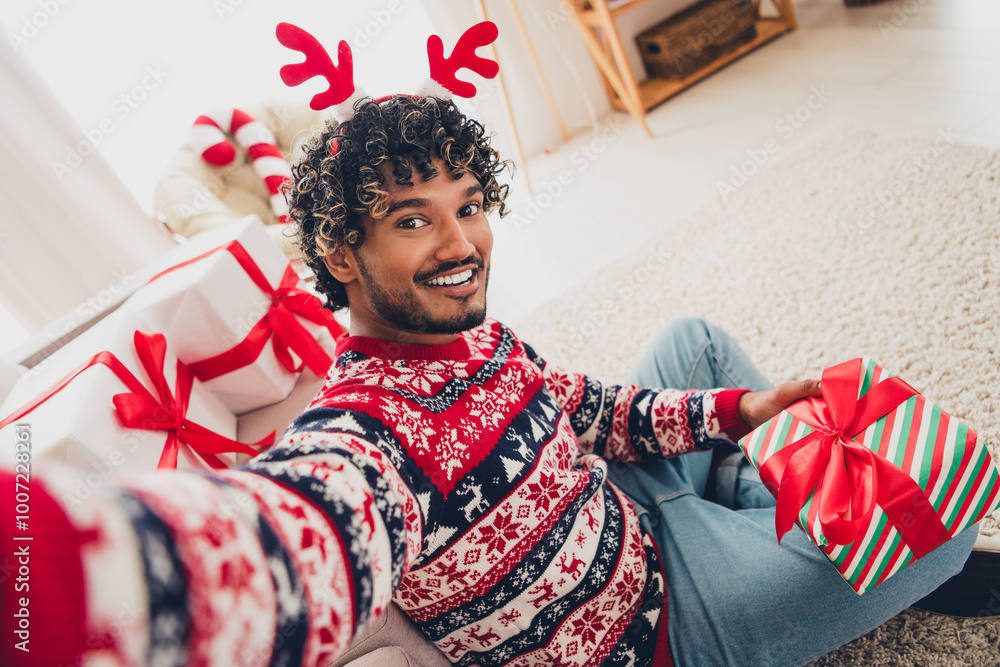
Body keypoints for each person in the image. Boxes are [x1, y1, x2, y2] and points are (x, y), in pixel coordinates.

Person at [0, 95, 977, 667]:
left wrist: (740, 411)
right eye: (414, 219)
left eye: (468, 206)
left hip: (624, 508)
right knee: (940, 526)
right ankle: (775, 513)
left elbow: (583, 409)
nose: (463, 242)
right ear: (341, 251)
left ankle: (758, 493)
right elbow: (286, 543)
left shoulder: (474, 338)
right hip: (668, 625)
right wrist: (73, 569)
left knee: (696, 344)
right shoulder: (368, 436)